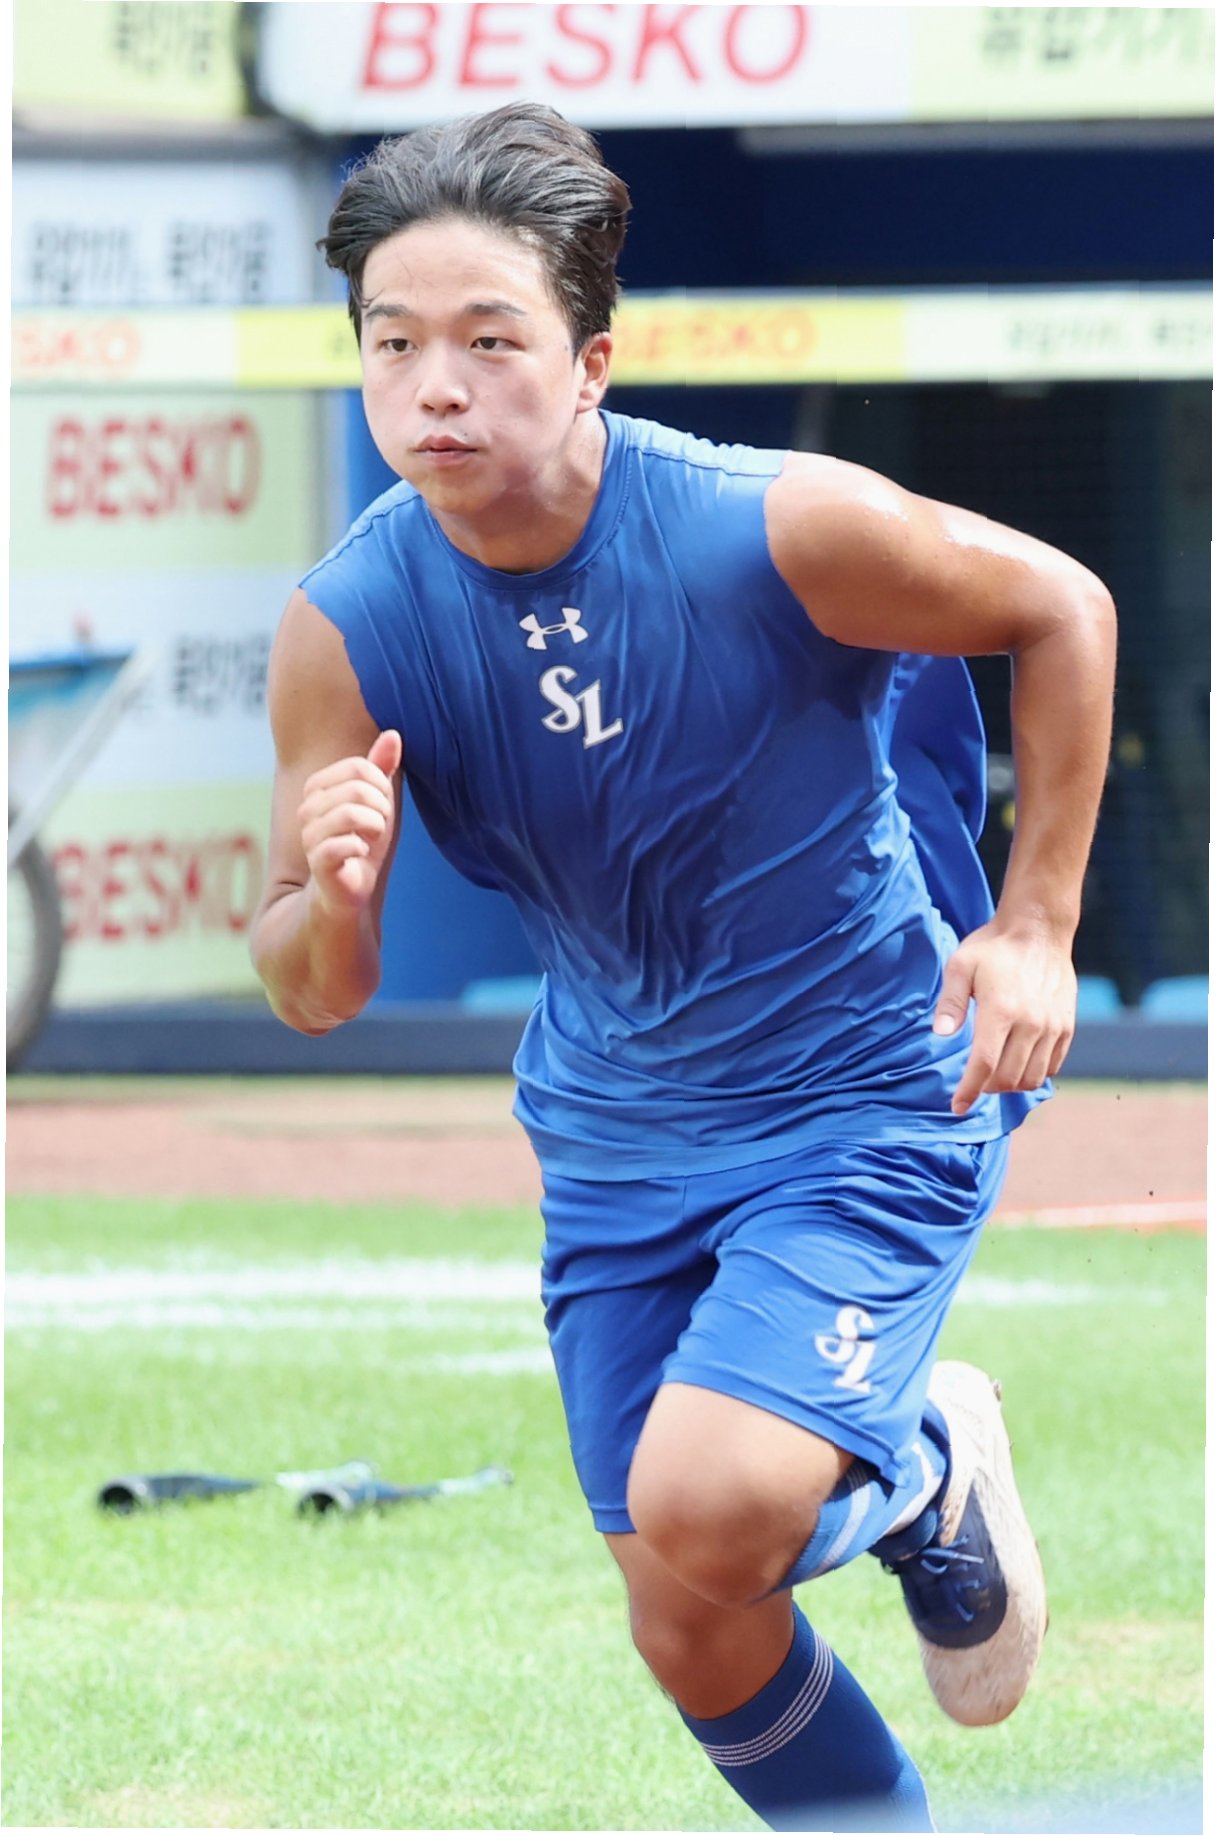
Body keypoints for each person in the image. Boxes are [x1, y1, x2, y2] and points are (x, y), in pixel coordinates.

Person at [251, 103, 1116, 1832]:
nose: (436, 389)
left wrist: (1033, 927)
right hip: (616, 1136)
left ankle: (925, 1462)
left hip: (868, 1089)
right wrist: (336, 898)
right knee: (689, 1614)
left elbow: (1062, 607)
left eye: (491, 341)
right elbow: (311, 986)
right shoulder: (345, 626)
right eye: (393, 344)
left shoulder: (764, 527)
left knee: (715, 1508)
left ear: (591, 362)